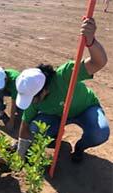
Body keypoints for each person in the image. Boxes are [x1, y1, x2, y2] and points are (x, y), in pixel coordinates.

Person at [15, 17, 108, 163]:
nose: (31, 101)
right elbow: (25, 124)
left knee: (100, 133)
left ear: (44, 90)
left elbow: (99, 62)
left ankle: (79, 148)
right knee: (35, 128)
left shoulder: (64, 75)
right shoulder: (33, 95)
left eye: (33, 98)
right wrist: (21, 149)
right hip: (58, 116)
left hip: (85, 108)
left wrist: (91, 41)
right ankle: (56, 140)